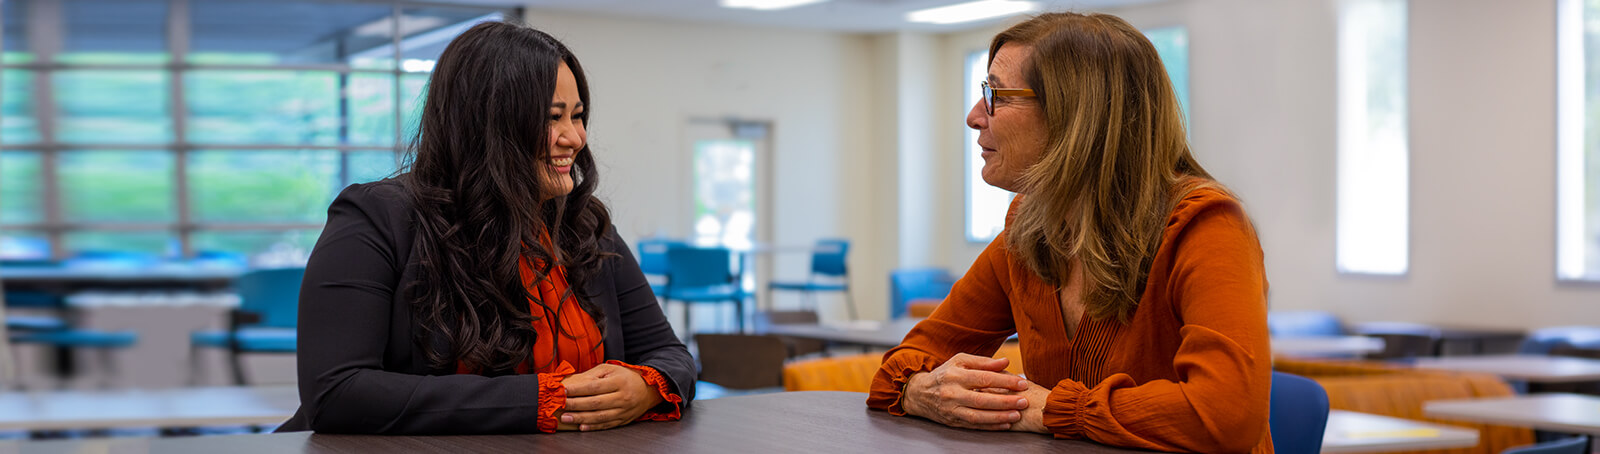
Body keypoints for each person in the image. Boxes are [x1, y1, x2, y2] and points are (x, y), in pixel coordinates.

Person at [866, 12, 1273, 453]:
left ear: (1076, 115)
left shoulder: (1206, 227)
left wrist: (1051, 410)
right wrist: (923, 391)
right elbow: (897, 368)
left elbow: (1225, 415)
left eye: (995, 95)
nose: (973, 116)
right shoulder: (1028, 231)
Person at [278, 21, 694, 435]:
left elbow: (669, 353)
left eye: (578, 115)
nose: (576, 138)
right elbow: (337, 392)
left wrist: (646, 386)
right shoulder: (375, 218)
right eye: (554, 118)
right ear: (488, 124)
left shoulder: (586, 228)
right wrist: (543, 401)